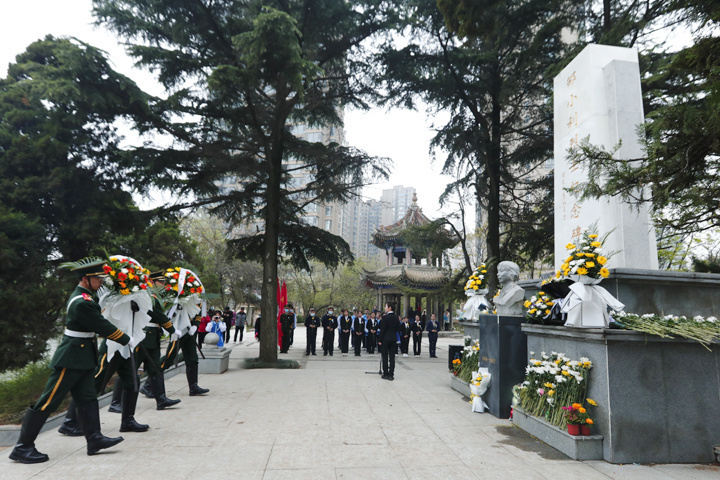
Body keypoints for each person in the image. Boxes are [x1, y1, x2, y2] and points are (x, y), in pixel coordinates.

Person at [10, 258, 131, 464]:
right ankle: (23, 448)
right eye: (97, 278)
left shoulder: (87, 298)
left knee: (87, 397)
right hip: (71, 358)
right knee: (49, 401)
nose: (101, 282)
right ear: (86, 279)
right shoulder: (82, 302)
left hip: (82, 357)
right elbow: (101, 325)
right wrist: (126, 338)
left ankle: (94, 439)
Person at [135, 271, 181, 410]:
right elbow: (155, 314)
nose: (163, 284)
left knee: (156, 369)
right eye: (161, 282)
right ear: (153, 282)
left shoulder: (155, 296)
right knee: (130, 370)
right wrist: (171, 328)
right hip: (143, 336)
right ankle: (117, 402)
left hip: (153, 335)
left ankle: (161, 399)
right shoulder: (147, 295)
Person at [378, 302, 400, 381]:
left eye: (386, 306)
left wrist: (380, 340)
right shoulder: (396, 317)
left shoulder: (385, 318)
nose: (385, 308)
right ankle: (391, 374)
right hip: (393, 339)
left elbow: (382, 330)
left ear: (390, 308)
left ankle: (385, 373)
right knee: (392, 357)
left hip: (385, 339)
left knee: (385, 356)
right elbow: (398, 328)